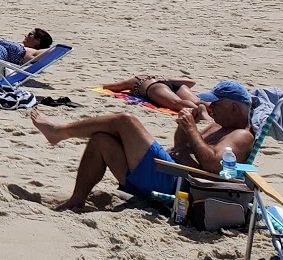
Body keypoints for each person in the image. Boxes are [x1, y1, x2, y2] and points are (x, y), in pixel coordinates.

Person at [31, 81, 255, 212]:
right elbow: (181, 145)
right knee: (101, 140)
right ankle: (77, 200)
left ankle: (58, 133)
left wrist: (193, 131)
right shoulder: (218, 126)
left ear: (234, 107)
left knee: (125, 121)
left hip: (179, 184)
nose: (211, 107)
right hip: (166, 173)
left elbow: (213, 164)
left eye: (216, 104)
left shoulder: (241, 136)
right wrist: (187, 126)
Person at [101, 74, 203, 111]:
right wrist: (165, 78)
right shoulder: (160, 76)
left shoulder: (135, 80)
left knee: (176, 103)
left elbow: (112, 87)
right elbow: (191, 83)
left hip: (155, 88)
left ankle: (199, 111)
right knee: (197, 101)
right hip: (172, 83)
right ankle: (209, 109)